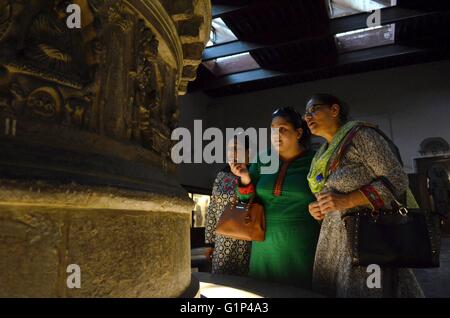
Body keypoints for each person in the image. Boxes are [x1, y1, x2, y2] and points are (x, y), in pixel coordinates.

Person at [304, 93, 424, 297]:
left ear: (335, 110)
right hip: (334, 241)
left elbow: (397, 179)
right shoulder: (320, 154)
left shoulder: (361, 135)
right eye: (306, 113)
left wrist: (347, 200)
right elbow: (329, 195)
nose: (308, 117)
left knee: (373, 290)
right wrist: (320, 208)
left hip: (370, 234)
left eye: (314, 109)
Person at [229, 107, 320, 288]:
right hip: (264, 244)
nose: (276, 134)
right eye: (272, 130)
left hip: (301, 243)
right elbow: (245, 201)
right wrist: (245, 178)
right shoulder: (263, 160)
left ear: (299, 133)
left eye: (283, 129)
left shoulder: (315, 160)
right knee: (263, 291)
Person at [204, 135, 252, 275]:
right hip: (222, 240)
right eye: (230, 149)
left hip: (247, 240)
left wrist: (245, 177)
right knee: (222, 281)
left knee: (246, 284)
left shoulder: (255, 172)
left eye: (236, 148)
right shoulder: (222, 175)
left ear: (248, 152)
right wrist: (209, 242)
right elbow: (213, 208)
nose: (232, 152)